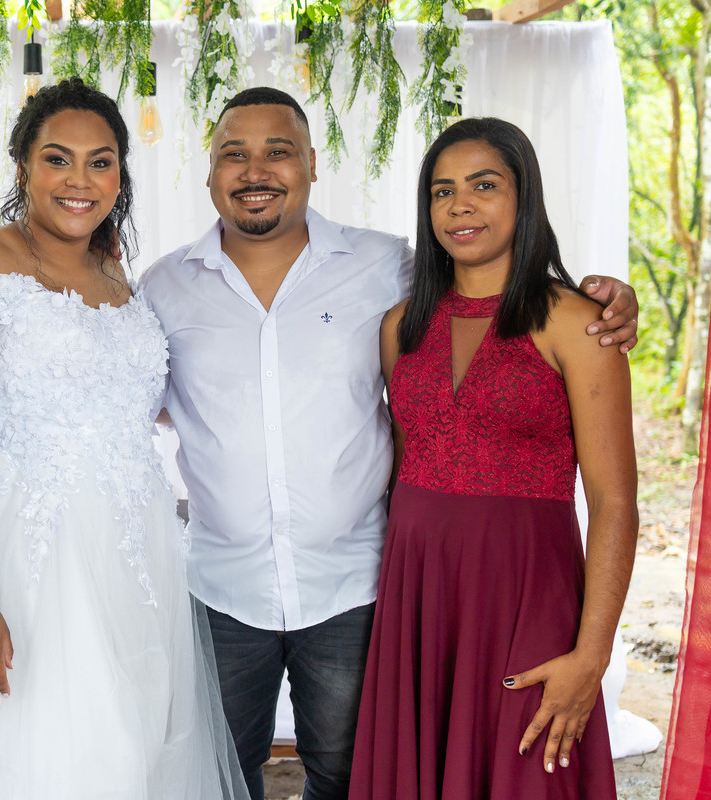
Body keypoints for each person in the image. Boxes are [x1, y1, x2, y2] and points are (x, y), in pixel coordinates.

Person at [136, 87, 639, 800]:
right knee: (213, 777)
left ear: (312, 163)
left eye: (278, 150)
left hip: (371, 584)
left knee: (361, 777)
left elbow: (611, 495)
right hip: (248, 586)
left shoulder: (386, 267)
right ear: (209, 169)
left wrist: (613, 303)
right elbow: (126, 401)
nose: (256, 169)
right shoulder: (164, 289)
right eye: (442, 192)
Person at [0, 78, 246, 800]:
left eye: (100, 162)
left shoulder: (115, 274)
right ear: (22, 166)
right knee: (47, 758)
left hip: (137, 557)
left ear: (120, 175)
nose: (80, 180)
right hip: (29, 561)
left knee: (130, 752)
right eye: (58, 159)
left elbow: (122, 405)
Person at [347, 117, 636, 799]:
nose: (460, 206)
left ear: (524, 196)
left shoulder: (576, 323)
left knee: (527, 770)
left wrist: (591, 656)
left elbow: (615, 501)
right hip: (419, 600)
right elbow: (404, 465)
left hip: (526, 595)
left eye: (484, 185)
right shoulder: (400, 326)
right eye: (442, 191)